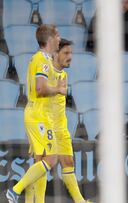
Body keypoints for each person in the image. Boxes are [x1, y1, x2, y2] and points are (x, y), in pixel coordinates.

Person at [6, 24, 66, 203]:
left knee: (40, 161)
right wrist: (58, 90)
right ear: (49, 40)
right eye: (57, 36)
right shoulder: (43, 61)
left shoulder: (40, 59)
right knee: (52, 158)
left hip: (36, 113)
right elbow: (40, 88)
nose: (60, 39)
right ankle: (15, 190)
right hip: (39, 115)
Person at [49, 38, 90, 202]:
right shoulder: (44, 73)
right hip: (46, 126)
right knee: (44, 164)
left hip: (61, 126)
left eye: (71, 53)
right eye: (66, 53)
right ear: (55, 54)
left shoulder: (63, 74)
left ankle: (80, 201)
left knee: (68, 161)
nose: (70, 56)